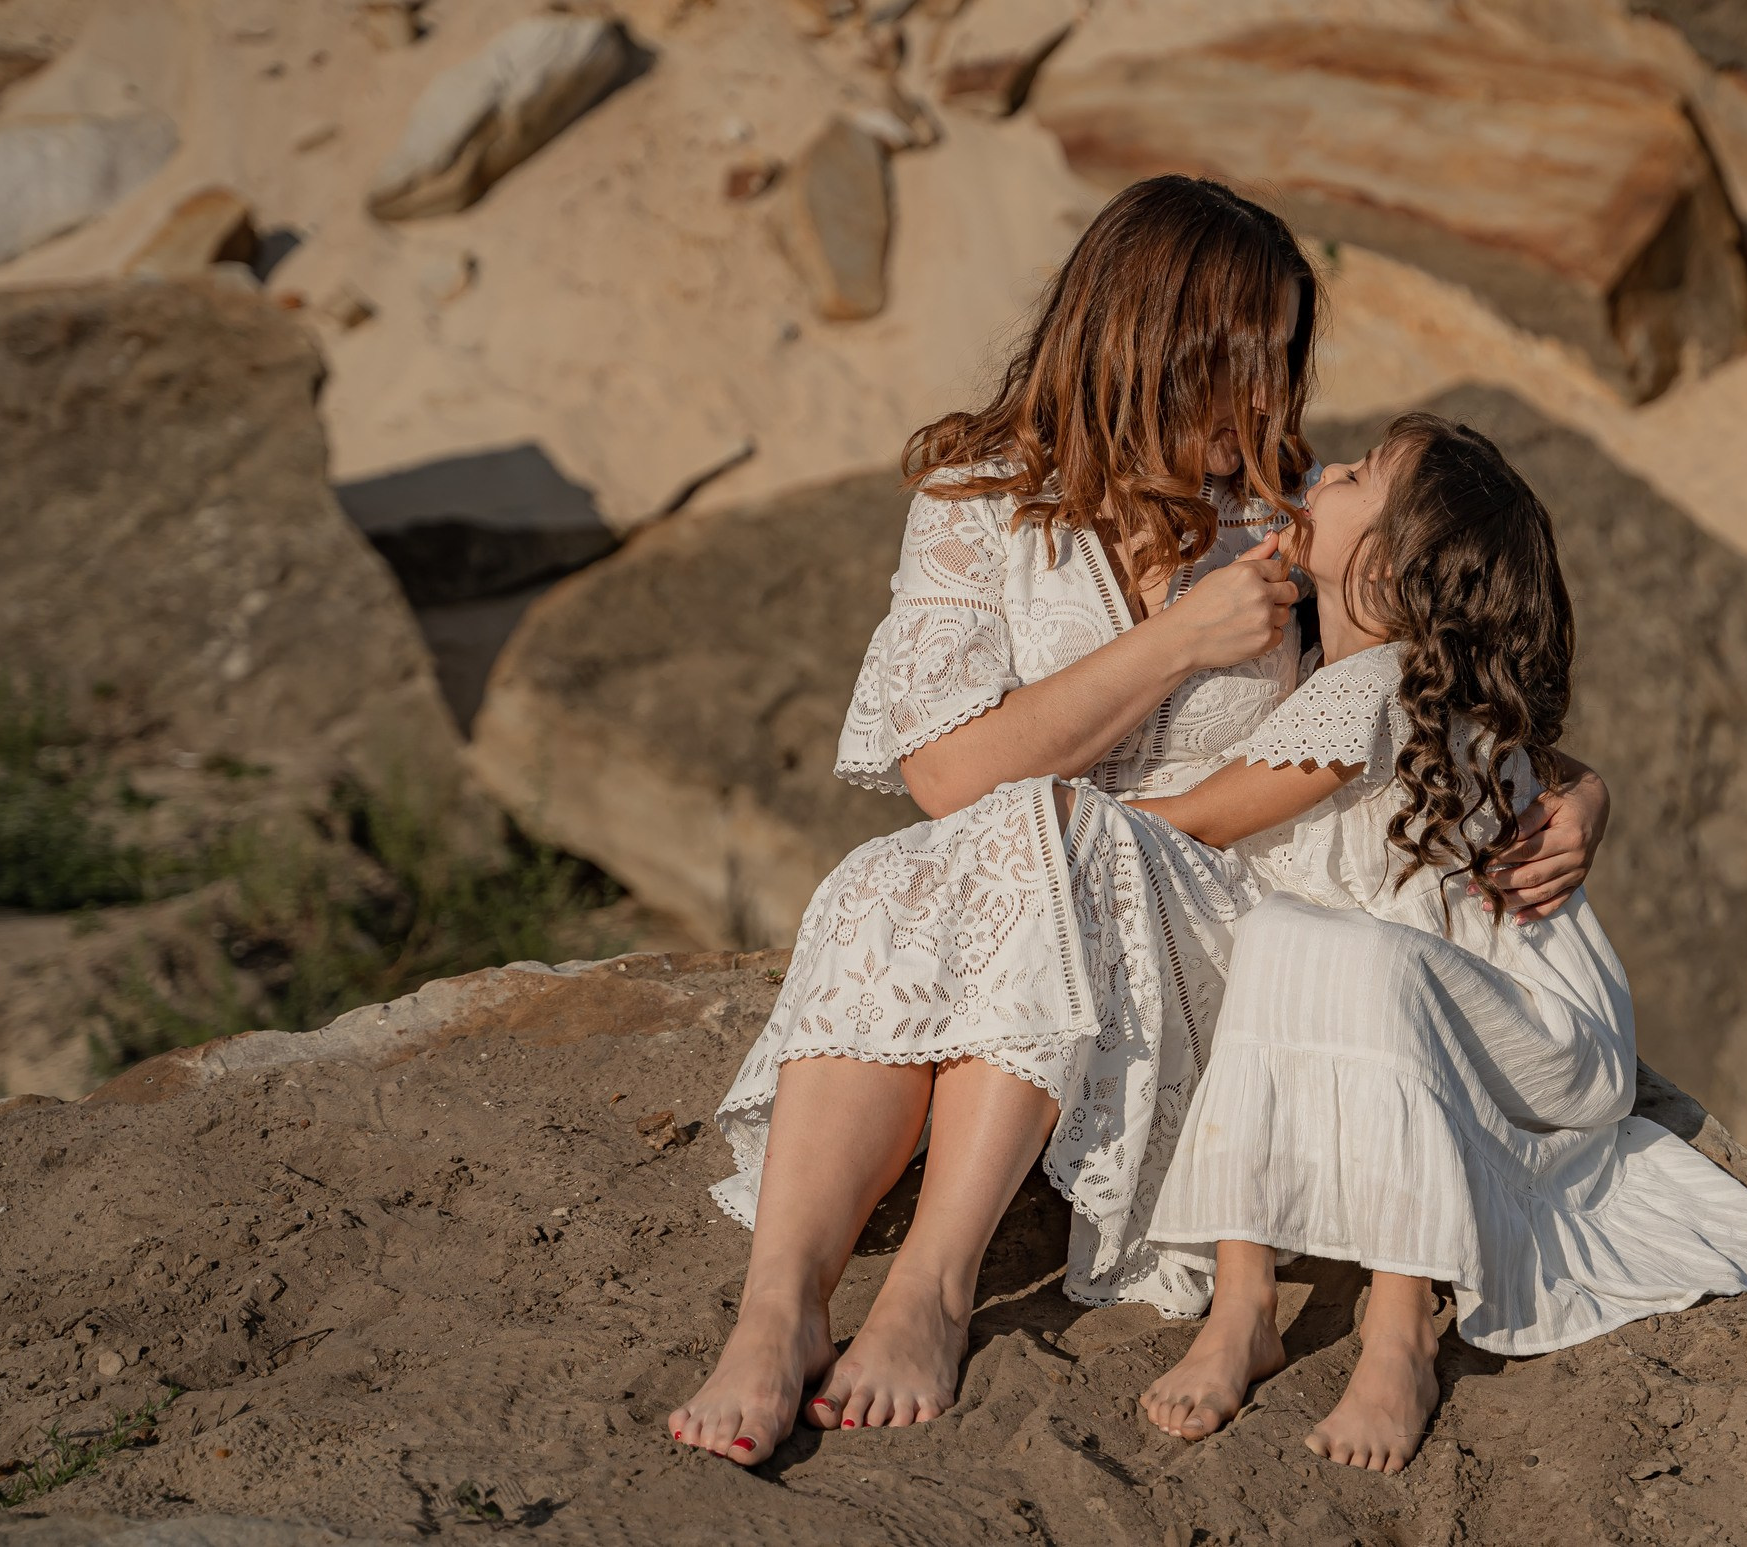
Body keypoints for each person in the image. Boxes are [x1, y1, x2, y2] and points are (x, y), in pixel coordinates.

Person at [667, 177, 1615, 1464]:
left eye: (1289, 353)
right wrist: (1172, 644)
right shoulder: (974, 500)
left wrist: (1576, 791)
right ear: (1163, 345)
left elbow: (1426, 680)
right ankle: (779, 1308)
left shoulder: (1278, 516)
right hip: (1011, 881)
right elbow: (948, 778)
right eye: (1255, 353)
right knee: (907, 869)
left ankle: (930, 1291)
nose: (1281, 395)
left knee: (1035, 839)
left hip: (1225, 933)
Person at [1132, 414, 1747, 1472]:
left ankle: (1398, 1329)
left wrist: (1035, 821)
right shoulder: (1358, 670)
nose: (1325, 469)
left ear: (1387, 567)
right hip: (1426, 1005)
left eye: (1356, 478)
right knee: (1293, 938)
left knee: (1333, 943)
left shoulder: (1370, 688)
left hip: (1538, 1036)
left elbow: (1204, 817)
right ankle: (1244, 1302)